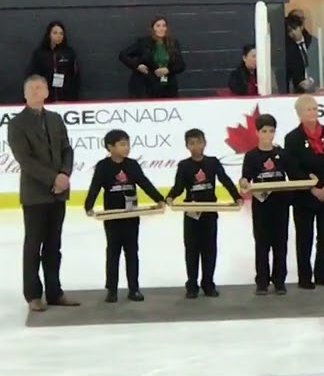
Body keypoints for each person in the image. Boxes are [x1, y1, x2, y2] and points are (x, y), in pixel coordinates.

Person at [7, 75, 80, 313]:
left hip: (58, 193)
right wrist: (53, 179)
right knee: (33, 245)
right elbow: (25, 159)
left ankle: (55, 291)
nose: (38, 91)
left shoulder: (56, 119)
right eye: (33, 88)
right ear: (25, 94)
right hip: (35, 193)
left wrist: (65, 174)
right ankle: (33, 295)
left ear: (47, 92)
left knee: (53, 245)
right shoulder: (17, 124)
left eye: (41, 87)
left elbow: (67, 149)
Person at [83, 128, 165, 302]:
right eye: (122, 144)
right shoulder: (103, 166)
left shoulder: (132, 165)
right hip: (112, 216)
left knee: (132, 251)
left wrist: (159, 198)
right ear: (110, 147)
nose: (126, 147)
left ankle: (134, 288)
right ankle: (111, 290)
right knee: (113, 251)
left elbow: (144, 183)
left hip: (131, 214)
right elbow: (95, 186)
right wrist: (88, 205)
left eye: (127, 144)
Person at [165, 128, 241, 298]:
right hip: (191, 214)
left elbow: (225, 180)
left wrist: (237, 196)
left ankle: (208, 283)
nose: (196, 146)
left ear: (204, 143)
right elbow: (178, 186)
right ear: (187, 146)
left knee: (209, 249)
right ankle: (192, 284)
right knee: (191, 250)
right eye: (192, 143)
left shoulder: (213, 163)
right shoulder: (184, 166)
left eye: (198, 142)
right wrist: (170, 197)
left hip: (209, 212)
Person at [285, 95, 324, 289]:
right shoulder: (292, 138)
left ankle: (322, 274)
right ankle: (304, 276)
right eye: (308, 109)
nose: (312, 112)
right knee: (305, 236)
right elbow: (292, 167)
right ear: (299, 113)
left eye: (314, 108)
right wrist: (312, 186)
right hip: (304, 195)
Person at [239, 113, 289, 295]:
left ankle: (279, 281)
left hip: (280, 204)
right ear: (257, 132)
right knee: (262, 243)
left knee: (280, 243)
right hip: (261, 205)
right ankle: (262, 281)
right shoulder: (251, 156)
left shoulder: (281, 154)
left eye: (271, 131)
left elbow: (292, 175)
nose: (268, 134)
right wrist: (244, 182)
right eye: (264, 131)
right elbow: (246, 177)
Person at [119, 16, 186, 98]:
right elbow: (123, 55)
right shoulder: (144, 43)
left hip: (168, 87)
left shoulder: (172, 43)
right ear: (152, 28)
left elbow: (181, 65)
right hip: (147, 87)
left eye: (164, 26)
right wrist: (137, 66)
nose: (161, 28)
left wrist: (168, 70)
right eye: (158, 26)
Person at [26, 21, 79, 103]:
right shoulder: (39, 53)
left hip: (66, 99)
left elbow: (74, 76)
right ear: (49, 34)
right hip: (45, 99)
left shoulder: (69, 53)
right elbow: (34, 76)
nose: (58, 36)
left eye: (61, 33)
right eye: (55, 33)